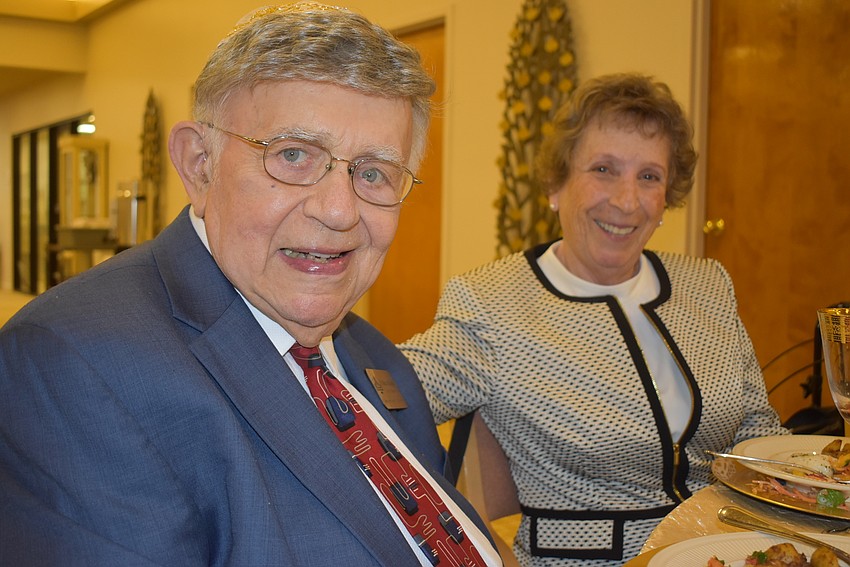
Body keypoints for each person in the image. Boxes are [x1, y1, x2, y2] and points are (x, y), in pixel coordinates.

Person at [0, 4, 502, 566]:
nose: (339, 210)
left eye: (373, 172)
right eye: (292, 155)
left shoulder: (375, 356)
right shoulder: (75, 363)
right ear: (199, 164)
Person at [399, 73, 788, 566]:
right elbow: (391, 393)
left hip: (724, 549)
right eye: (604, 169)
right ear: (556, 184)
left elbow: (756, 428)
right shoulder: (493, 303)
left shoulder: (707, 285)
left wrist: (803, 497)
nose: (627, 201)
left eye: (649, 176)